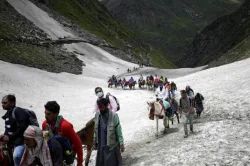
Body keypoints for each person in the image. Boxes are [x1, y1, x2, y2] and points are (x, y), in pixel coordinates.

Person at [42, 101, 83, 166]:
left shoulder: (66, 126)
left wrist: (79, 163)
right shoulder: (45, 125)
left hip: (65, 160)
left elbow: (78, 144)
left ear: (56, 114)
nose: (45, 116)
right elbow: (45, 142)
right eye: (45, 113)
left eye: (48, 114)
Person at [1, 94, 33, 166]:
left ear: (13, 103)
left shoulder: (18, 111)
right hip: (13, 142)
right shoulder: (8, 114)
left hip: (22, 141)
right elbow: (8, 128)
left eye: (5, 103)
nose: (2, 105)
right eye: (2, 103)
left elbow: (22, 127)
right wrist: (5, 135)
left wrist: (10, 137)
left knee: (17, 156)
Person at [93, 98, 124, 166]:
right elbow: (96, 130)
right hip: (101, 147)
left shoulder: (114, 116)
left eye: (101, 107)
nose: (100, 109)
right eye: (99, 107)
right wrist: (94, 141)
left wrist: (121, 143)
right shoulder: (97, 115)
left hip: (111, 147)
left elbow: (118, 130)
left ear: (106, 105)